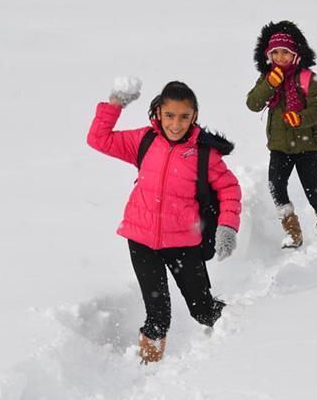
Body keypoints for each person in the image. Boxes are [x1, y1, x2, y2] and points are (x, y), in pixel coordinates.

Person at [87, 80, 242, 364]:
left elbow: (229, 189)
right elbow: (99, 139)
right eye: (170, 115)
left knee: (204, 310)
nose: (176, 123)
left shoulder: (204, 154)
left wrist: (228, 226)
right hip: (141, 240)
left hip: (184, 243)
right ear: (159, 112)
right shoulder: (144, 141)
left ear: (194, 116)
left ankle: (246, 336)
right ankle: (150, 372)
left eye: (184, 116)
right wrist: (115, 103)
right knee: (158, 316)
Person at [246, 20, 317, 249]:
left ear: (295, 54)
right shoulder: (268, 77)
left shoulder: (308, 77)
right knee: (275, 186)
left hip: (306, 146)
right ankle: (292, 231)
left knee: (312, 190)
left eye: (285, 52)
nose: (280, 57)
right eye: (275, 52)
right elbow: (253, 103)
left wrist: (300, 119)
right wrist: (269, 84)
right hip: (279, 146)